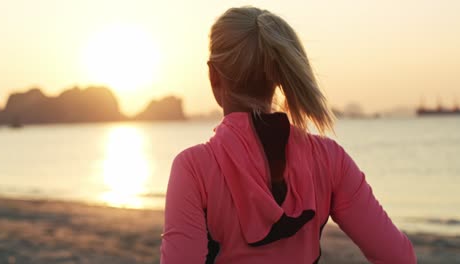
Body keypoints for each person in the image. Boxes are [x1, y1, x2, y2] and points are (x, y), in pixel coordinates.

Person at [161, 6, 416, 264]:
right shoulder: (330, 159)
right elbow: (399, 257)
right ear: (277, 74)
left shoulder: (193, 168)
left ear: (213, 75)